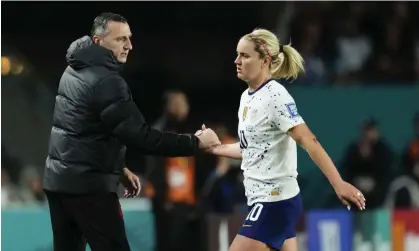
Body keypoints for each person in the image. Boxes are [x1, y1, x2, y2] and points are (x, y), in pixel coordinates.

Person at [42, 13, 220, 251]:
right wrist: (195, 143)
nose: (129, 45)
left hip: (59, 182)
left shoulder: (73, 69)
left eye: (129, 38)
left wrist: (118, 168)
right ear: (98, 42)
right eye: (120, 39)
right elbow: (142, 137)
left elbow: (82, 131)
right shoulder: (107, 81)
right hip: (89, 188)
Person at [196, 28, 366, 251]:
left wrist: (338, 183)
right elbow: (253, 148)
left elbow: (308, 140)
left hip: (274, 201)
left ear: (265, 60)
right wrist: (216, 148)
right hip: (264, 201)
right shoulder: (246, 97)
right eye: (237, 54)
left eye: (245, 55)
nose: (236, 60)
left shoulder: (275, 96)